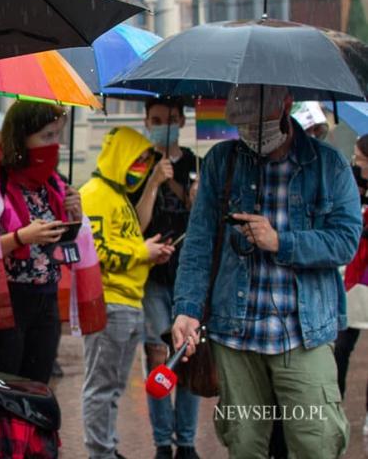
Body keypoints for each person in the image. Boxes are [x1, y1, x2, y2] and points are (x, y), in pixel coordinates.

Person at [172, 84, 359, 458]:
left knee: (316, 441)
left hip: (303, 331)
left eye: (259, 122)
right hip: (236, 332)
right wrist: (186, 309)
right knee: (243, 444)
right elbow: (199, 243)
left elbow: (345, 240)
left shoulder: (328, 164)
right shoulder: (221, 162)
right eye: (241, 124)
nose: (250, 134)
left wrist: (280, 242)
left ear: (286, 104)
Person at [0, 101, 98, 383]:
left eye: (57, 136)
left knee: (37, 389)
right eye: (46, 136)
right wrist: (20, 238)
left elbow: (64, 249)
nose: (55, 145)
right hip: (4, 300)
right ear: (22, 138)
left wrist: (73, 215)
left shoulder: (54, 185)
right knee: (4, 390)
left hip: (45, 299)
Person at [79, 126, 175, 459]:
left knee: (114, 388)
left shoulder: (119, 197)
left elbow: (124, 243)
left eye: (146, 161)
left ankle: (108, 446)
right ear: (122, 155)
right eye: (138, 159)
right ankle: (100, 451)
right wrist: (141, 253)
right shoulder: (94, 194)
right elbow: (97, 251)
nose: (142, 166)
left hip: (129, 303)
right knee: (102, 388)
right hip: (110, 303)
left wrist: (147, 252)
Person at [130, 98, 200, 459]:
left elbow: (203, 224)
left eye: (170, 119)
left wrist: (195, 201)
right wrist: (154, 183)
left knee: (186, 356)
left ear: (182, 120)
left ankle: (186, 440)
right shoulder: (138, 163)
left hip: (187, 276)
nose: (162, 125)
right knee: (157, 355)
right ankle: (162, 440)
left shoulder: (196, 163)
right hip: (152, 278)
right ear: (145, 120)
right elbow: (136, 226)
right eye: (156, 119)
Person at [333, 134, 368, 436]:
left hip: (365, 278)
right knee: (342, 346)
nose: (356, 160)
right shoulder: (356, 184)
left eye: (359, 156)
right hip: (355, 279)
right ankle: (333, 409)